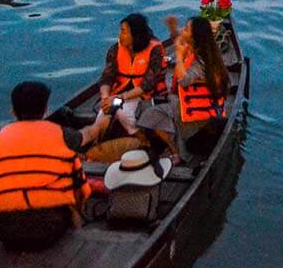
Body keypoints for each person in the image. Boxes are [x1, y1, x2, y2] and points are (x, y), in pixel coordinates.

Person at [0, 81, 108, 250]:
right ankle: (78, 228)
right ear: (46, 109)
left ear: (12, 111)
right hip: (49, 228)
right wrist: (101, 123)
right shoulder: (61, 134)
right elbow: (88, 134)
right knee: (73, 172)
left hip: (3, 230)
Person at [138, 16, 228, 163]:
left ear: (194, 36)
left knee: (149, 114)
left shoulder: (201, 61)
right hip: (191, 105)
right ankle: (172, 144)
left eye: (185, 29)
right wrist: (173, 28)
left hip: (195, 120)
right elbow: (179, 36)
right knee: (158, 106)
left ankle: (177, 152)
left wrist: (179, 55)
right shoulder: (197, 47)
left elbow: (184, 80)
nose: (182, 31)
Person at [95, 13, 167, 137]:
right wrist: (105, 97)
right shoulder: (115, 49)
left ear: (135, 35)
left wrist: (120, 98)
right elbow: (107, 76)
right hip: (118, 93)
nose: (120, 35)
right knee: (102, 117)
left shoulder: (155, 49)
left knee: (123, 113)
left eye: (124, 31)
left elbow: (147, 84)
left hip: (144, 94)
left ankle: (143, 141)